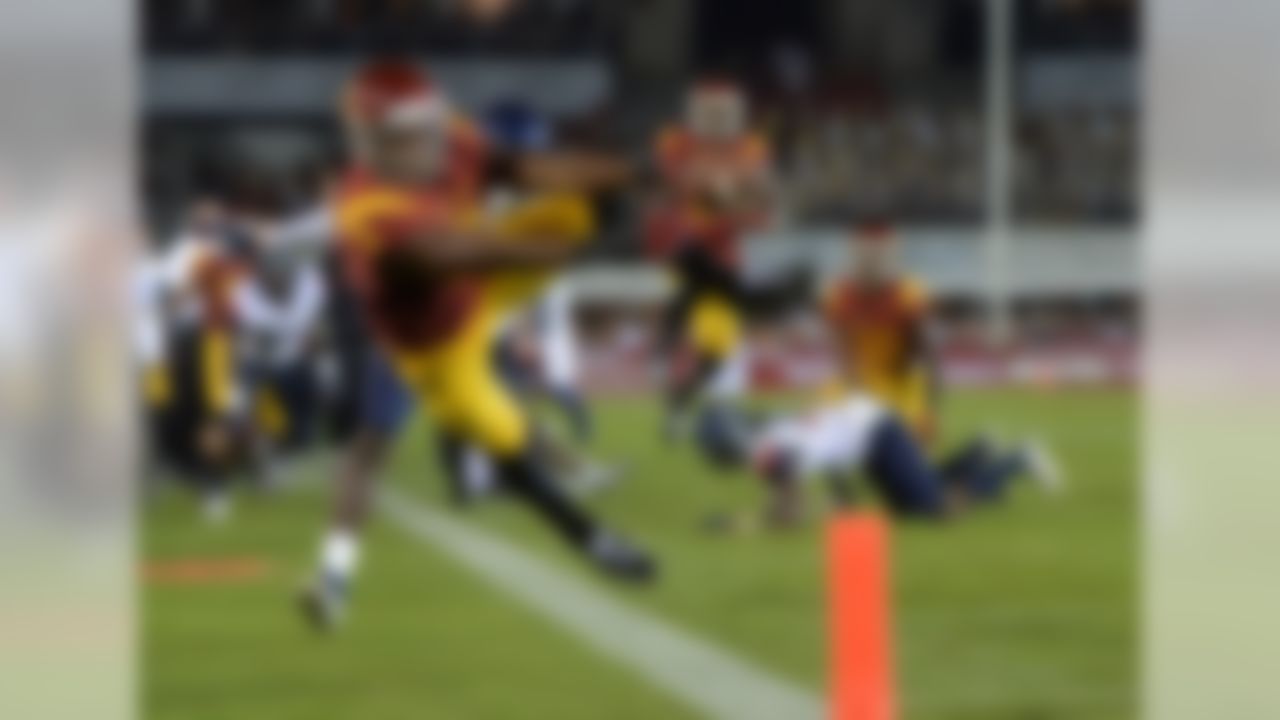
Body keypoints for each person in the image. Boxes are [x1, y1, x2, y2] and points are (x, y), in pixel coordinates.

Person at [300, 60, 655, 631]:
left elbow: (523, 169)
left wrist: (629, 172)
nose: (425, 145)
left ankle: (567, 473)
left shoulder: (455, 137)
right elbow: (453, 256)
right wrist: (558, 255)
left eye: (428, 128)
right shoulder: (367, 207)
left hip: (477, 288)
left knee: (589, 205)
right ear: (371, 145)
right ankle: (590, 538)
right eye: (405, 137)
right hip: (430, 342)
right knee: (491, 439)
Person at [695, 392, 1062, 532]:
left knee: (937, 508)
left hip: (876, 431)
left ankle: (1021, 460)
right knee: (908, 506)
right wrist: (843, 500)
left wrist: (738, 526)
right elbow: (824, 456)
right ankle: (978, 452)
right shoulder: (766, 437)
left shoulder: (767, 453)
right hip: (864, 431)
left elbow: (789, 512)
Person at [646, 79, 784, 441]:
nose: (719, 118)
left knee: (719, 346)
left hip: (726, 252)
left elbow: (763, 195)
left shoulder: (752, 146)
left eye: (725, 111)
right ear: (696, 112)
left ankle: (676, 398)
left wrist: (741, 199)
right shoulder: (675, 141)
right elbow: (681, 182)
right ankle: (665, 346)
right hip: (689, 247)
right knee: (704, 320)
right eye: (711, 110)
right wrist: (730, 191)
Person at [822, 221, 938, 443]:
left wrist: (928, 407)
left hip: (899, 382)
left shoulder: (909, 295)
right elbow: (844, 355)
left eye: (878, 255)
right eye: (866, 255)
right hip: (856, 381)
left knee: (909, 435)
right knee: (826, 427)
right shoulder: (838, 296)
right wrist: (858, 397)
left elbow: (924, 356)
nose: (872, 261)